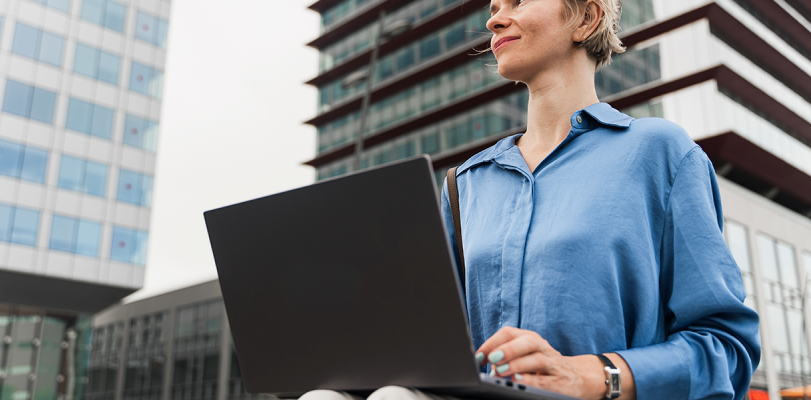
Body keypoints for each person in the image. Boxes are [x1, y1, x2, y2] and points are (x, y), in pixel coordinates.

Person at [300, 0, 761, 399]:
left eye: (517, 2)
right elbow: (436, 347)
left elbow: (727, 350)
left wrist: (591, 374)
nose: (495, 21)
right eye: (494, 9)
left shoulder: (660, 153)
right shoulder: (464, 183)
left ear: (586, 18)